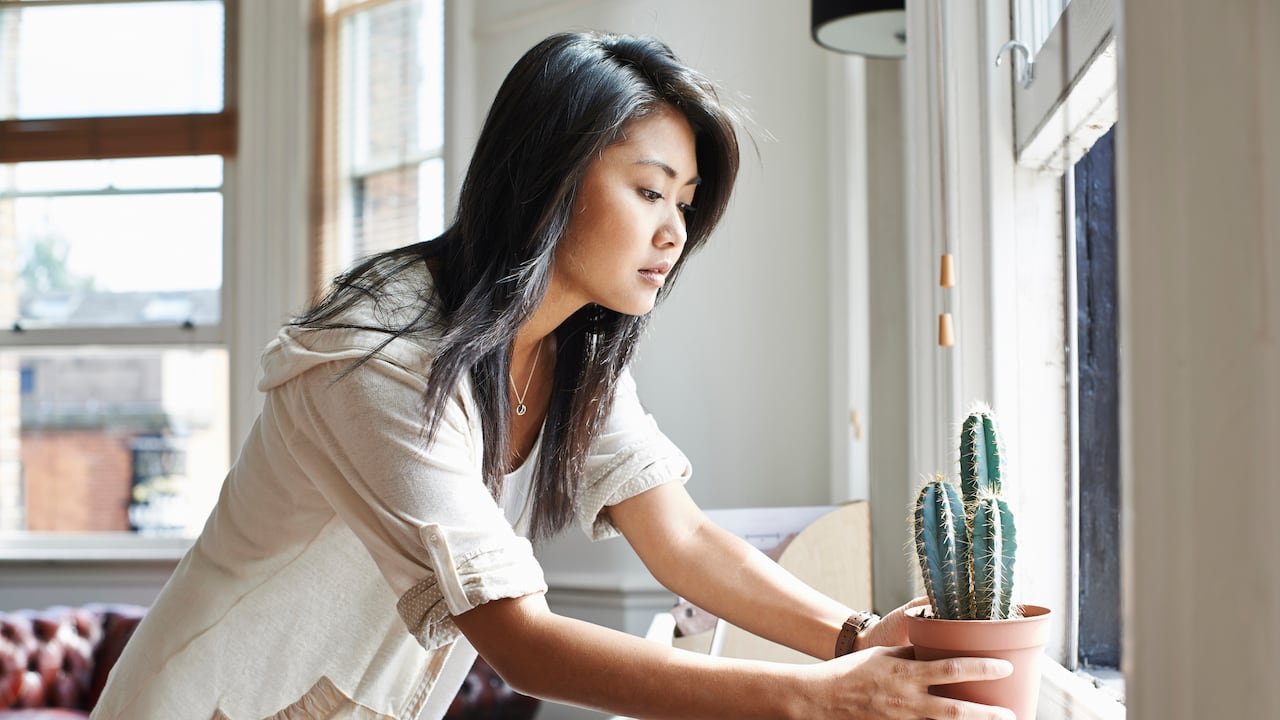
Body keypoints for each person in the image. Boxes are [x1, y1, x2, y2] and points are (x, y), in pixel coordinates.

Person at [92, 31, 1015, 720]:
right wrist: (821, 700)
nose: (674, 233)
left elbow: (682, 540)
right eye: (649, 191)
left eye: (685, 205)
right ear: (548, 177)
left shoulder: (573, 346)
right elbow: (521, 641)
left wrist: (858, 637)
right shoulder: (379, 357)